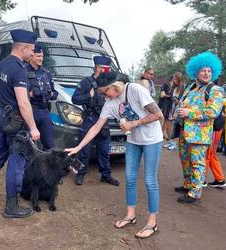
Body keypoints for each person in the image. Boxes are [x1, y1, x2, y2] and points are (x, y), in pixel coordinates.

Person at [66, 71, 164, 239]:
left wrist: (134, 123)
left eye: (105, 92)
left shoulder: (134, 90)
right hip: (133, 140)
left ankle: (152, 223)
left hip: (151, 140)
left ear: (114, 86)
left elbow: (158, 115)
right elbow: (96, 127)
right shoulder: (109, 103)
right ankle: (130, 215)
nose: (104, 96)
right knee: (130, 177)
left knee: (149, 180)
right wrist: (78, 147)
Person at [0, 29, 40, 218]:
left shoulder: (0, 65)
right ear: (23, 48)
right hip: (16, 122)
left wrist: (4, 108)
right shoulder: (19, 69)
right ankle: (11, 206)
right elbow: (23, 103)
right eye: (31, 50)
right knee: (17, 159)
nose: (32, 53)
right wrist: (33, 128)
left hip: (1, 116)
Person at [174, 51, 224, 204]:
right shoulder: (190, 87)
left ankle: (195, 192)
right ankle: (188, 184)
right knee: (185, 160)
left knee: (197, 163)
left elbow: (213, 112)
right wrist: (180, 111)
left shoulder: (215, 90)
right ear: (196, 71)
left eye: (209, 70)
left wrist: (190, 112)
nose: (206, 73)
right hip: (184, 132)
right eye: (203, 70)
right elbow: (182, 104)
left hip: (200, 134)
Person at [71, 55, 119, 186]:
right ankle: (80, 174)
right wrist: (88, 95)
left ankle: (106, 175)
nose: (108, 71)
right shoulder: (87, 82)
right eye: (106, 69)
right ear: (98, 68)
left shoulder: (110, 84)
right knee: (84, 150)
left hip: (104, 121)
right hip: (90, 119)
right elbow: (75, 99)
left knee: (104, 150)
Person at [27, 43, 58, 150]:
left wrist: (49, 94)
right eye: (38, 56)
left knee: (49, 145)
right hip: (30, 111)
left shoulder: (46, 73)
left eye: (42, 56)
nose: (41, 59)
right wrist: (29, 94)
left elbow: (54, 93)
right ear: (31, 56)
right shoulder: (23, 71)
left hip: (44, 112)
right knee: (28, 145)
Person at [158, 76, 174, 148]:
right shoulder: (166, 86)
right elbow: (162, 95)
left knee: (168, 125)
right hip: (163, 107)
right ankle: (159, 140)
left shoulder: (175, 88)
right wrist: (170, 96)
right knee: (162, 124)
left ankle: (170, 142)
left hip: (170, 109)